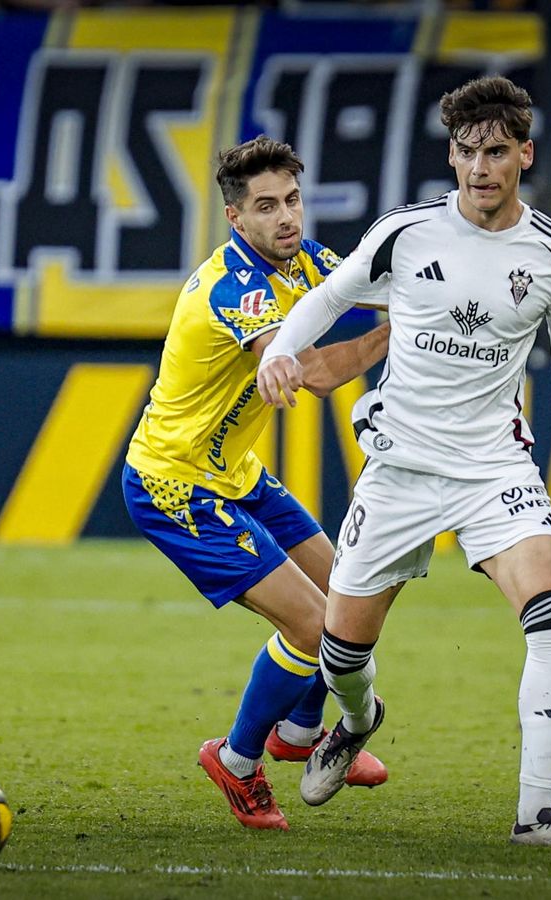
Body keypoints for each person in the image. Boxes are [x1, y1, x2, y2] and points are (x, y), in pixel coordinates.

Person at [255, 75, 551, 850]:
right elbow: (330, 297)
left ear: (525, 155)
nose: (479, 168)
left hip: (493, 469)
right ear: (453, 155)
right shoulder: (408, 233)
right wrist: (284, 353)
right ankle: (359, 721)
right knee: (343, 656)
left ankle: (537, 815)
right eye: (467, 152)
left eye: (496, 152)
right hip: (399, 468)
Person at [121, 136, 392, 832]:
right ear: (236, 219)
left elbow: (380, 280)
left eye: (293, 201)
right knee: (309, 623)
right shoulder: (231, 287)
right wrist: (385, 338)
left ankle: (298, 738)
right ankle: (237, 761)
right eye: (266, 207)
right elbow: (303, 365)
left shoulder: (303, 259)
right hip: (174, 485)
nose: (286, 218)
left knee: (346, 594)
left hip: (235, 474)